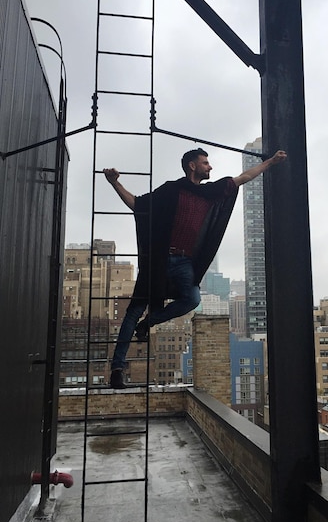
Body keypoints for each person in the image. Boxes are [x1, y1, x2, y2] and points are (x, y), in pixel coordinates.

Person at [104, 147, 287, 388]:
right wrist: (114, 183)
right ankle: (117, 368)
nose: (210, 167)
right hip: (158, 260)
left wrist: (271, 163)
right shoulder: (171, 190)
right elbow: (138, 205)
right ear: (192, 166)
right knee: (134, 310)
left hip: (184, 262)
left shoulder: (210, 192)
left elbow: (243, 178)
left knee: (191, 299)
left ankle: (150, 321)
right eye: (205, 163)